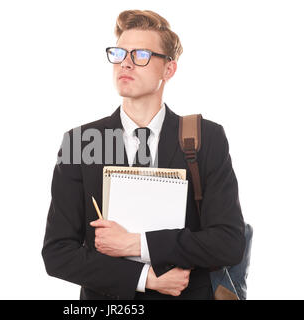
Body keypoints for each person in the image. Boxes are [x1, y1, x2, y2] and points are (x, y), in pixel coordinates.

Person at [42, 9, 245, 300]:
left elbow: (228, 242)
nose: (125, 63)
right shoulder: (83, 142)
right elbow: (58, 253)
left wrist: (136, 244)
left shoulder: (205, 138)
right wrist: (145, 278)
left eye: (140, 55)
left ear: (169, 69)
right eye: (119, 53)